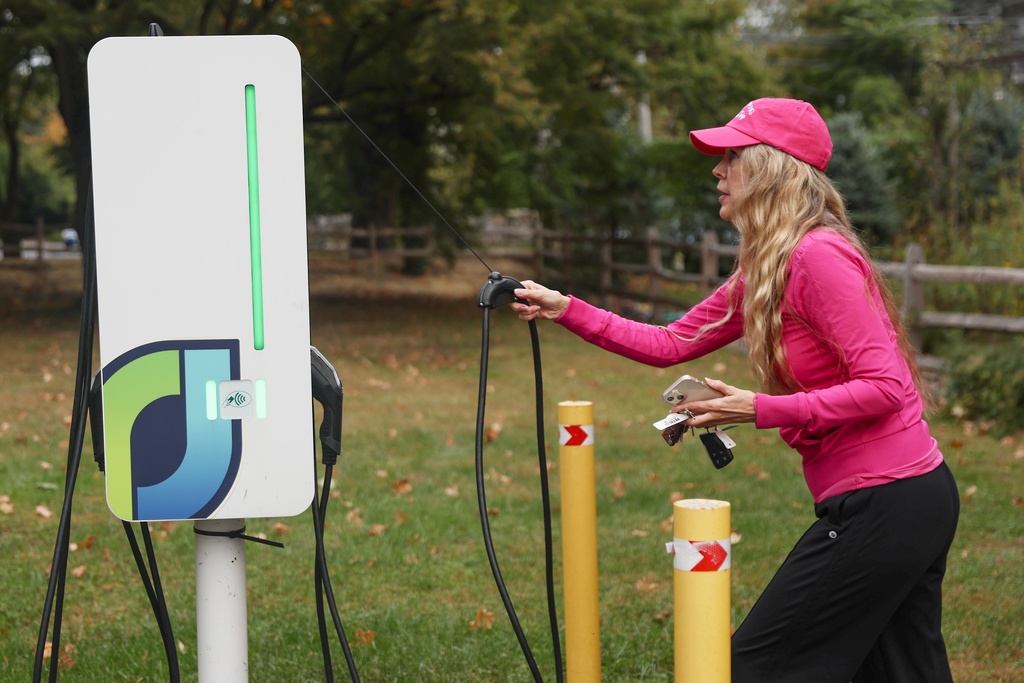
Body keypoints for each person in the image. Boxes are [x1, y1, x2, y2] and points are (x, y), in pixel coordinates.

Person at [510, 98, 959, 683]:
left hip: (889, 501)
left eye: (731, 157)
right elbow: (670, 342)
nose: (717, 171)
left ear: (774, 167)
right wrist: (565, 309)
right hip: (899, 500)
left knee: (751, 668)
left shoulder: (817, 258)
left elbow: (888, 387)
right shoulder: (767, 265)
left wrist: (759, 408)